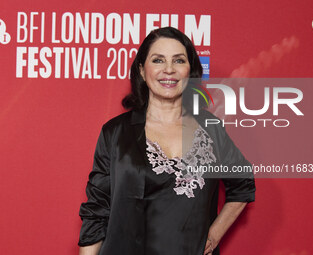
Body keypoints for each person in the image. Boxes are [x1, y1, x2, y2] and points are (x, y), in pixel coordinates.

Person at [78, 27, 255, 255]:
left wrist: (213, 234)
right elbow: (96, 211)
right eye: (158, 60)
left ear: (190, 70)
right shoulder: (116, 133)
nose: (169, 70)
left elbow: (242, 185)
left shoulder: (211, 129)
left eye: (179, 60)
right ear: (142, 70)